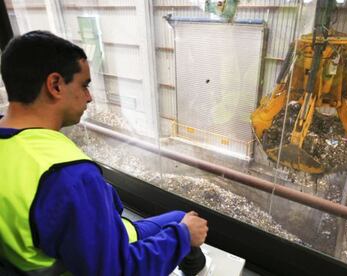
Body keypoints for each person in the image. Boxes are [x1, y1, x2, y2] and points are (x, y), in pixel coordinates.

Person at [0, 30, 208, 276]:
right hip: (85, 263)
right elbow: (114, 271)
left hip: (39, 257)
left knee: (178, 217)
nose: (89, 97)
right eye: (84, 85)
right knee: (187, 225)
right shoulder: (70, 177)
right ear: (55, 85)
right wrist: (183, 237)